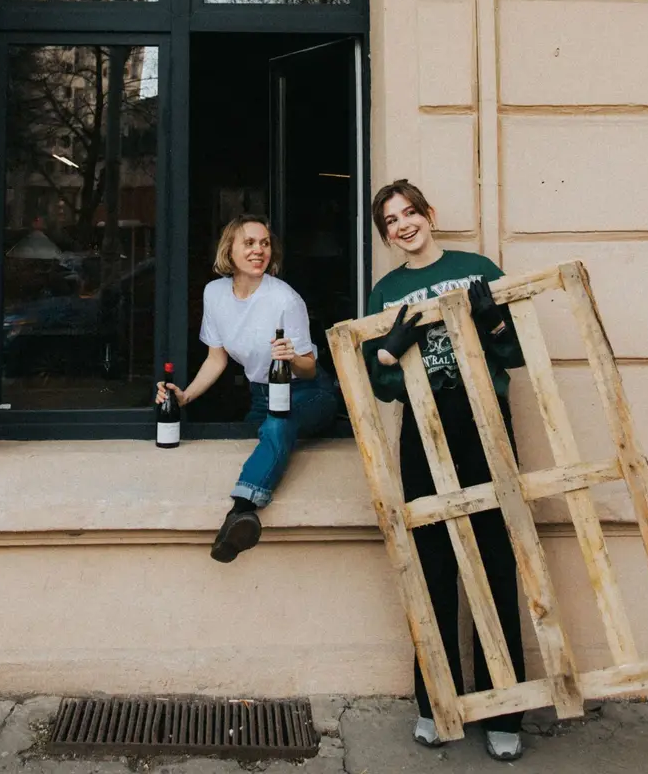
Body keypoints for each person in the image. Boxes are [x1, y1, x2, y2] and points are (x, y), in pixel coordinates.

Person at [363, 179, 526, 763]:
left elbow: (520, 354)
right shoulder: (386, 291)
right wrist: (388, 349)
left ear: (430, 214)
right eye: (391, 220)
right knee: (432, 565)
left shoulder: (477, 266)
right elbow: (380, 385)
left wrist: (498, 325)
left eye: (410, 212)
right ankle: (436, 702)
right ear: (385, 235)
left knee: (494, 559)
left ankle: (504, 709)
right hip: (423, 431)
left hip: (486, 421)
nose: (404, 224)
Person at [156, 213, 338, 564]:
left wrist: (291, 356)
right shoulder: (215, 294)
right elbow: (216, 359)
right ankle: (239, 517)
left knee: (277, 425)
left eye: (265, 243)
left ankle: (240, 511)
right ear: (231, 250)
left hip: (309, 391)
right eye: (250, 243)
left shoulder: (285, 299)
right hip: (261, 393)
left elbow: (309, 365)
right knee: (268, 428)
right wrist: (186, 396)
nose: (259, 250)